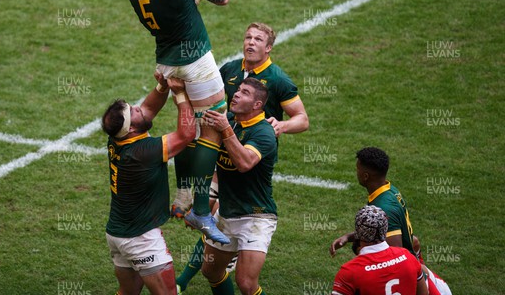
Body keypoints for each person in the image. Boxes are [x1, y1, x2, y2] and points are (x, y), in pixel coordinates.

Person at [175, 22, 309, 292]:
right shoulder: (230, 70)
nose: (251, 42)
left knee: (245, 281)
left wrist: (280, 126)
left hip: (255, 152)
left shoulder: (278, 80)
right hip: (226, 150)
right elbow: (213, 105)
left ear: (268, 47)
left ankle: (182, 281)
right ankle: (189, 273)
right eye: (248, 37)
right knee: (210, 230)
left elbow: (302, 119)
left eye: (258, 39)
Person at [127, 0, 238, 244]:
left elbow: (177, 10)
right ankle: (200, 209)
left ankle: (184, 192)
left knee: (188, 127)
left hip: (167, 62)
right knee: (215, 127)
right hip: (196, 62)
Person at [101, 74, 195, 295]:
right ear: (132, 129)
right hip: (140, 238)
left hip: (117, 234)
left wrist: (162, 86)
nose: (138, 107)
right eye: (133, 111)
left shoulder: (118, 137)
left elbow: (148, 110)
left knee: (128, 292)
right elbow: (187, 134)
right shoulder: (143, 152)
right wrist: (180, 94)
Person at [329, 147, 452, 295]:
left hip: (413, 281)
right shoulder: (390, 190)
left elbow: (393, 256)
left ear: (366, 176)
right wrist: (349, 237)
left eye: (357, 169)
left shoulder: (383, 207)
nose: (356, 172)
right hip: (417, 271)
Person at [197, 77, 278, 295]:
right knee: (210, 271)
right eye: (238, 90)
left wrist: (226, 130)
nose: (236, 94)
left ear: (257, 105)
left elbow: (244, 163)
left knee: (246, 283)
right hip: (226, 213)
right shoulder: (231, 120)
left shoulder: (263, 132)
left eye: (245, 93)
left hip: (256, 217)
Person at [331, 205, 429, 295]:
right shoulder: (408, 257)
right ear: (385, 229)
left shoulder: (349, 272)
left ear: (358, 233)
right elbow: (424, 293)